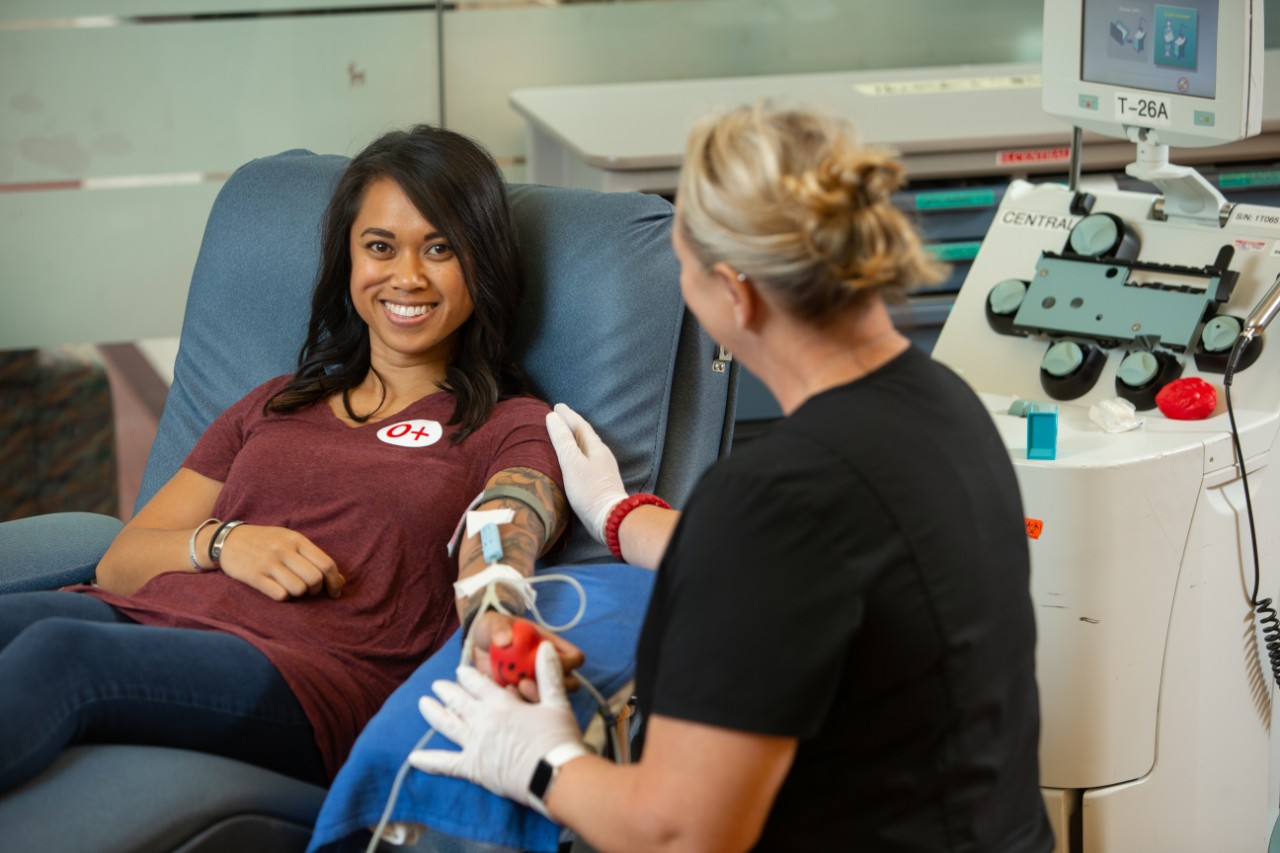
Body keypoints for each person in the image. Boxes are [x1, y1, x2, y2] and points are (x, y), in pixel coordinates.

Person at [409, 104, 1055, 852]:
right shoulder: (944, 407)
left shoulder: (771, 501)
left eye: (684, 268)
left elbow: (677, 834)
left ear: (736, 292)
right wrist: (618, 514)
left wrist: (543, 760)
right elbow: (818, 566)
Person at [0, 124, 577, 793]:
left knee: (59, 652)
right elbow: (120, 563)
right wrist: (225, 543)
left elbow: (507, 526)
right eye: (380, 247)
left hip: (307, 673)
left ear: (484, 261)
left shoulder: (510, 424)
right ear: (349, 261)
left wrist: (500, 624)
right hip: (149, 619)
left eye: (440, 248)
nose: (407, 276)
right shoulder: (276, 403)